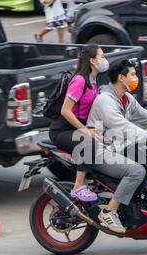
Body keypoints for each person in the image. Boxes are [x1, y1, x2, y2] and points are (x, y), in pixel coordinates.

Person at [86, 58, 147, 233]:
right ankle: (109, 211)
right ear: (121, 78)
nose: (135, 77)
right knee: (136, 171)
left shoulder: (125, 98)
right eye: (133, 74)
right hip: (99, 151)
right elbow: (125, 128)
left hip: (118, 147)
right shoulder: (105, 101)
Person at [49, 45, 109, 202]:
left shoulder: (93, 80)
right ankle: (78, 188)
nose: (104, 60)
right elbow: (65, 111)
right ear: (92, 61)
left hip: (76, 127)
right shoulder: (80, 80)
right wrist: (85, 130)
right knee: (89, 142)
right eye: (102, 57)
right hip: (61, 130)